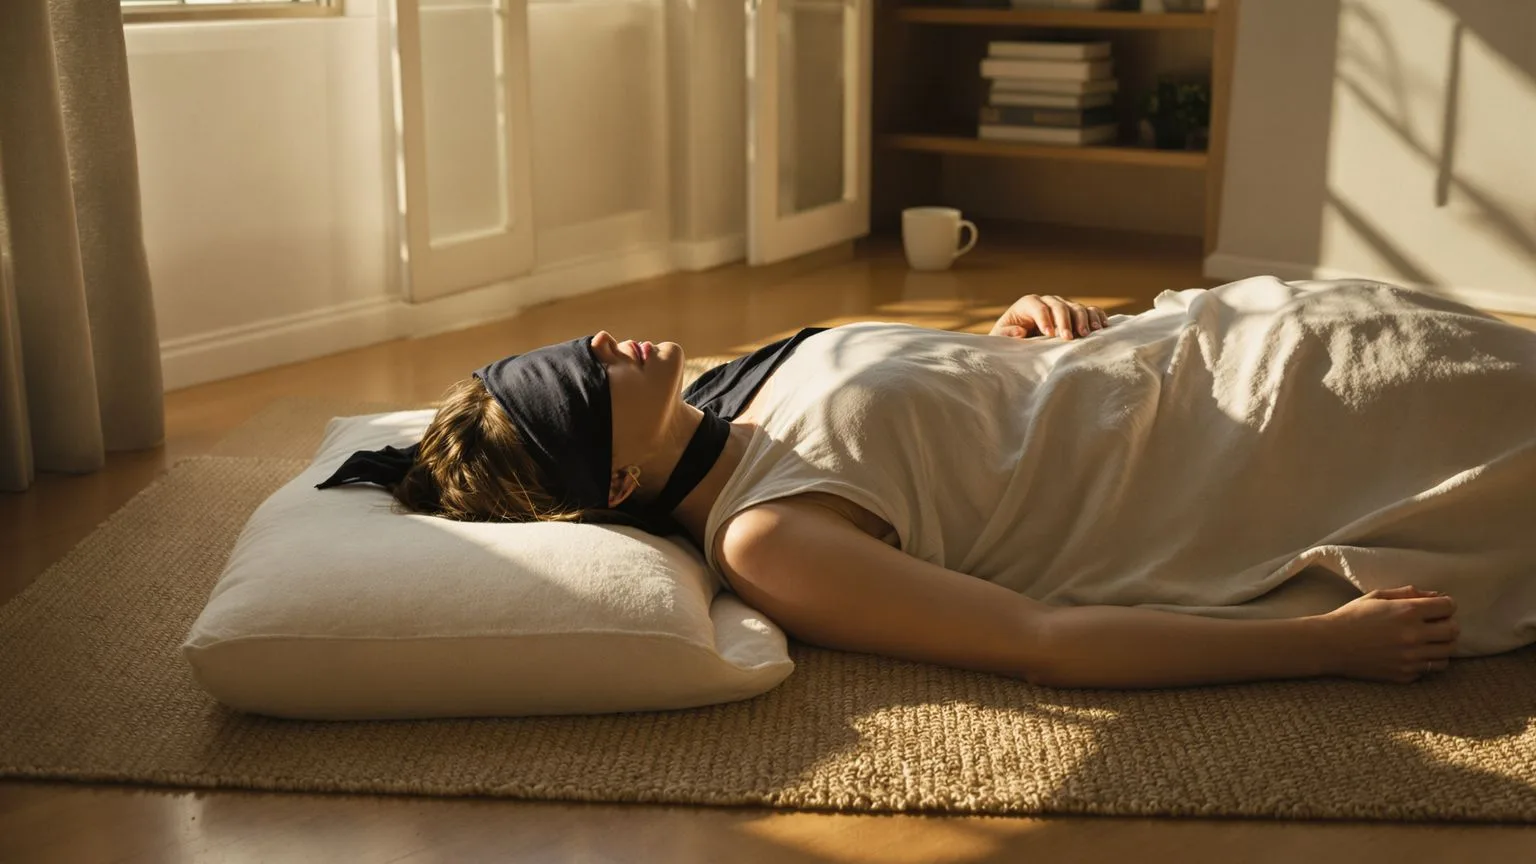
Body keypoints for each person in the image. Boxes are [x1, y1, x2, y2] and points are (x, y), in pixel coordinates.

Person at [320, 277, 1536, 690]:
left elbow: (955, 418)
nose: (594, 346)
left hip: (1221, 344)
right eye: (578, 387)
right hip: (1242, 455)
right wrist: (1319, 650)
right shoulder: (769, 541)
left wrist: (1012, 338)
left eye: (566, 353)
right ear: (618, 473)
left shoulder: (757, 384)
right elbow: (1039, 640)